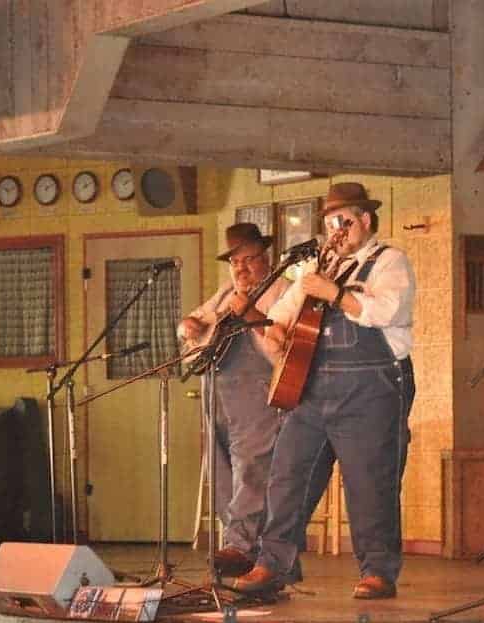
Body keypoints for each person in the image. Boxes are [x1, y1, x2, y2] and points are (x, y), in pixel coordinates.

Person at [228, 181, 416, 600]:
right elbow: (278, 317)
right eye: (331, 222)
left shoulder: (390, 262)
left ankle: (378, 572)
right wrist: (276, 332)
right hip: (311, 390)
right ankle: (272, 565)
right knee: (287, 476)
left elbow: (386, 311)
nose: (337, 229)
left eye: (345, 221)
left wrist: (332, 293)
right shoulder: (317, 269)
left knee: (370, 484)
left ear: (365, 220)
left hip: (371, 389)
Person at [177, 223, 289, 578]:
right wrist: (190, 326)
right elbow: (194, 322)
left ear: (266, 258)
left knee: (251, 467)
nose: (241, 269)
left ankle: (241, 547)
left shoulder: (283, 290)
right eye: (235, 262)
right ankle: (239, 549)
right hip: (218, 387)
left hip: (257, 390)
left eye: (249, 260)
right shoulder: (226, 291)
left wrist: (251, 315)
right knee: (221, 469)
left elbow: (284, 342)